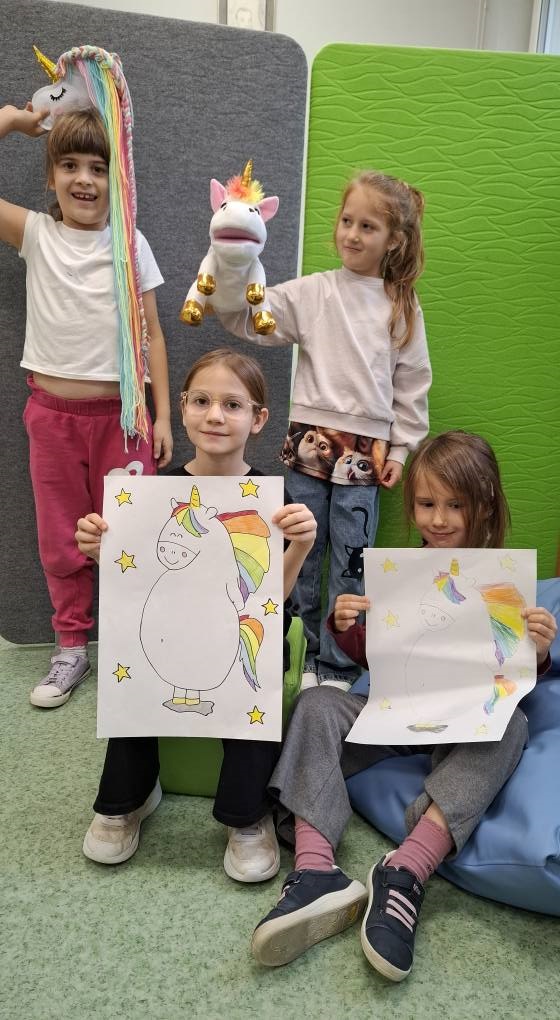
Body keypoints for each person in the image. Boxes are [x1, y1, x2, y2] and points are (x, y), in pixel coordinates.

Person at [250, 430, 557, 978]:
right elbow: (373, 657)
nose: (438, 519)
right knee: (317, 703)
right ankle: (316, 871)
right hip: (393, 712)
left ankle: (406, 870)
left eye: (455, 505)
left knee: (514, 725)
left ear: (485, 505)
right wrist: (347, 627)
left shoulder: (503, 583)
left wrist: (535, 652)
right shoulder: (399, 573)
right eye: (426, 504)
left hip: (464, 723)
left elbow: (513, 679)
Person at [76, 348, 317, 882]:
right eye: (202, 401)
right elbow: (134, 582)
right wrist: (100, 549)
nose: (215, 415)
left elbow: (268, 600)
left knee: (257, 676)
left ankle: (246, 816)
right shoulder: (150, 494)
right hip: (168, 627)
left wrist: (299, 547)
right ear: (182, 408)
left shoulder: (270, 501)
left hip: (229, 625)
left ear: (258, 418)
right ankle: (125, 800)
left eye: (232, 404)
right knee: (133, 678)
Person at [215, 170, 431, 690]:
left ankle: (337, 662)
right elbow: (248, 318)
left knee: (352, 562)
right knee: (302, 553)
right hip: (307, 445)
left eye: (368, 226)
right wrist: (230, 263)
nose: (352, 234)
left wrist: (401, 450)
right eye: (346, 221)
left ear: (394, 240)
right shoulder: (314, 292)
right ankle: (301, 654)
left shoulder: (402, 305)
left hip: (367, 453)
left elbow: (413, 382)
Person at [0, 101, 172, 709]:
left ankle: (136, 645)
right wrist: (12, 120)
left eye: (99, 168)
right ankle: (71, 646)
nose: (84, 179)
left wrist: (162, 416)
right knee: (61, 539)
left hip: (123, 421)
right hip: (52, 419)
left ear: (116, 180)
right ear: (50, 177)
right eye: (70, 165)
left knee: (135, 535)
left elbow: (152, 334)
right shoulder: (36, 234)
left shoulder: (131, 244)